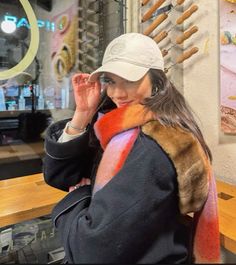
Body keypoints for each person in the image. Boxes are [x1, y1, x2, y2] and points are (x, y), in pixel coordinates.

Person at [43, 32, 220, 264]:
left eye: (131, 79)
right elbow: (59, 176)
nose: (117, 93)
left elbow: (91, 250)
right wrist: (81, 116)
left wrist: (79, 195)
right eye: (110, 80)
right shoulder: (114, 126)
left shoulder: (154, 146)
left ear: (157, 81)